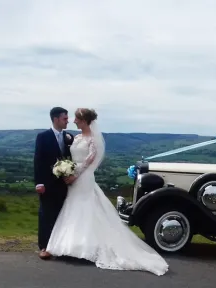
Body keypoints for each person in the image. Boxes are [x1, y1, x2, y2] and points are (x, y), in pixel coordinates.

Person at [45, 108, 169, 276]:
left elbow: (89, 160)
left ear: (84, 120)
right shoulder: (76, 137)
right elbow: (71, 155)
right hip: (74, 178)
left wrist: (74, 175)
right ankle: (73, 245)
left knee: (86, 209)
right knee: (73, 208)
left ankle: (86, 246)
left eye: (76, 118)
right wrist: (67, 170)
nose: (73, 121)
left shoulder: (92, 140)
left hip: (84, 178)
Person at [34, 107, 74, 260]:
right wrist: (39, 183)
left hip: (65, 184)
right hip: (48, 183)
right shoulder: (43, 137)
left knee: (63, 215)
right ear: (56, 119)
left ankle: (60, 245)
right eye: (65, 118)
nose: (67, 121)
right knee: (46, 215)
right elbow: (38, 161)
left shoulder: (69, 137)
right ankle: (44, 246)